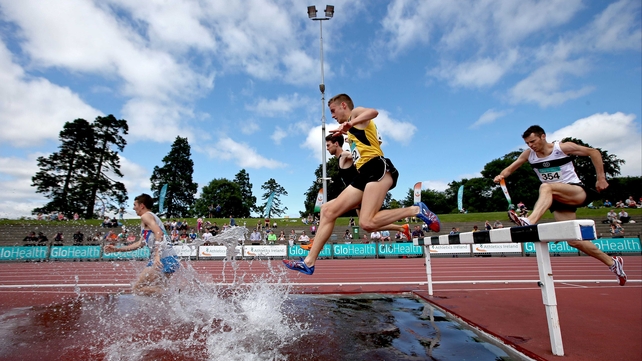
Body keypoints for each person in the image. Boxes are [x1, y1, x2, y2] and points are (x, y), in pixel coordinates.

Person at [286, 96, 439, 270]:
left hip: (377, 167)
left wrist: (351, 124)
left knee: (366, 223)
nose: (333, 116)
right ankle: (309, 262)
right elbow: (374, 140)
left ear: (344, 105)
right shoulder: (352, 132)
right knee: (327, 210)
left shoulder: (355, 113)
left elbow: (374, 112)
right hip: (363, 175)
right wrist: (351, 132)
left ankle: (417, 209)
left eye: (333, 111)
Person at [493, 125, 626, 286]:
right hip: (557, 198)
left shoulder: (562, 148)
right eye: (528, 143)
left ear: (543, 136)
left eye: (533, 141)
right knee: (572, 240)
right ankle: (613, 263)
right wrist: (501, 175)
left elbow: (594, 152)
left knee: (546, 186)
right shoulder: (529, 154)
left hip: (575, 191)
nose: (531, 146)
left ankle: (529, 221)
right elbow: (511, 168)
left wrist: (601, 178)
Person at [104, 193, 180, 296]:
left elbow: (159, 233)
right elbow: (140, 244)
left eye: (135, 205)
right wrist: (117, 249)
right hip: (170, 257)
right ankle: (176, 295)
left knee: (138, 288)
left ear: (142, 205)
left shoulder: (146, 216)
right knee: (159, 290)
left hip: (162, 258)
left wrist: (157, 255)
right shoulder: (149, 219)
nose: (133, 208)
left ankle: (173, 293)